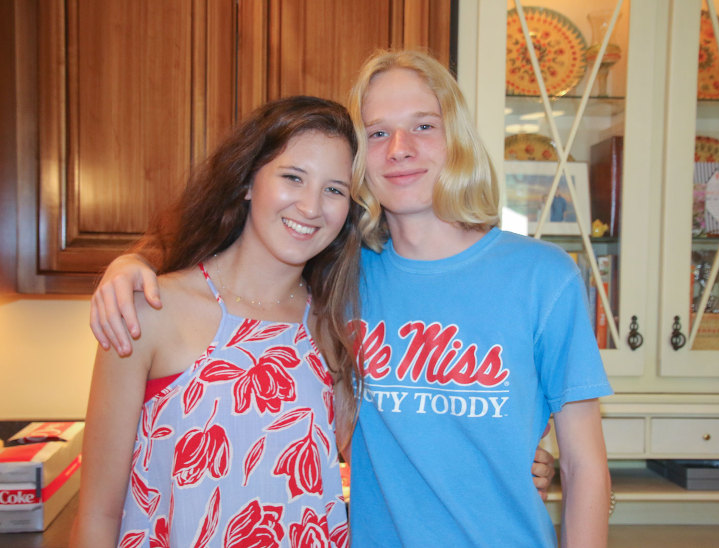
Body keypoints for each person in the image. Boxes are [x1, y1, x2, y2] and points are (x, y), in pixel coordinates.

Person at [91, 50, 604, 546]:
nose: (399, 148)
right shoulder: (347, 280)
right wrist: (133, 261)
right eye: (377, 132)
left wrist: (523, 463)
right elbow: (243, 249)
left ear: (458, 139)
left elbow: (585, 466)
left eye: (424, 126)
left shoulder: (544, 277)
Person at [71, 96, 363, 547]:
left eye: (335, 190)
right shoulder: (149, 309)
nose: (311, 206)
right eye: (292, 177)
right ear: (247, 182)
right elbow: (97, 514)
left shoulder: (333, 328)